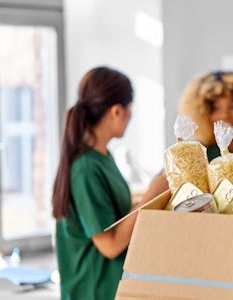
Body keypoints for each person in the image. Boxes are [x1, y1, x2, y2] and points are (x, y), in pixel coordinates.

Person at [51, 66, 168, 300]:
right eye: (130, 110)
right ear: (117, 111)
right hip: (93, 291)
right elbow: (110, 245)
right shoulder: (85, 169)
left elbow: (115, 216)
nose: (130, 117)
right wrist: (151, 196)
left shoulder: (103, 157)